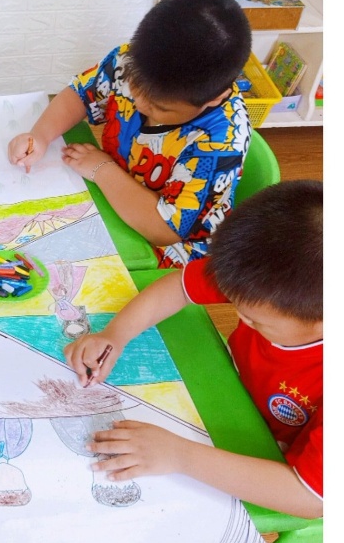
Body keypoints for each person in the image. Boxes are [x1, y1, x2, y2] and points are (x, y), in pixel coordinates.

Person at [65, 181, 322, 519]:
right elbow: (180, 286)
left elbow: (311, 499)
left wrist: (179, 455)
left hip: (278, 469)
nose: (239, 314)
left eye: (255, 320)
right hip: (233, 395)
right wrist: (115, 334)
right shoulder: (275, 275)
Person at [8, 0, 252, 268]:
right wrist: (40, 135)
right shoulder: (131, 62)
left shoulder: (221, 143)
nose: (140, 104)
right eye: (134, 89)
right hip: (113, 195)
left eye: (160, 108)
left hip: (171, 251)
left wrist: (103, 170)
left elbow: (164, 230)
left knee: (59, 265)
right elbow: (81, 94)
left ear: (214, 98)